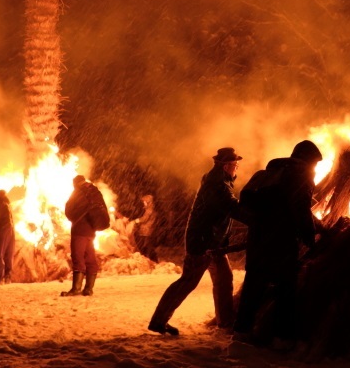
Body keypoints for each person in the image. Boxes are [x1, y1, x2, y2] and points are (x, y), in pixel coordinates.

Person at [149, 147, 251, 336]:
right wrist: (258, 219)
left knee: (224, 278)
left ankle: (225, 322)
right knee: (187, 282)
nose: (237, 168)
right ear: (226, 166)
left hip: (212, 243)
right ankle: (158, 321)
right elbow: (232, 207)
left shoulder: (219, 180)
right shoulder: (217, 184)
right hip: (203, 242)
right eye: (235, 165)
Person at [233, 140, 323, 348]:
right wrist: (310, 238)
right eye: (315, 163)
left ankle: (241, 332)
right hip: (282, 242)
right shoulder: (300, 175)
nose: (315, 168)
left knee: (254, 285)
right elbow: (301, 210)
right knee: (286, 290)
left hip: (259, 239)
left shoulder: (270, 173)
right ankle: (281, 338)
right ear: (308, 159)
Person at [61, 174, 109, 296]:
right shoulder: (94, 191)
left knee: (78, 257)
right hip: (91, 230)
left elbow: (69, 210)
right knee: (90, 258)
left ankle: (76, 288)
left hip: (80, 230)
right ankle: (88, 288)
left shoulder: (79, 192)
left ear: (75, 183)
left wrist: (73, 218)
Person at [0, 189, 15, 284]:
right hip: (11, 229)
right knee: (9, 253)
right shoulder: (8, 204)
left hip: (4, 228)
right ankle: (8, 277)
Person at [133, 194, 160, 263]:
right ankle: (151, 260)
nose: (143, 203)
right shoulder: (150, 209)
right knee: (146, 246)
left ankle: (153, 261)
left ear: (148, 202)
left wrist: (137, 220)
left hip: (147, 231)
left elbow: (145, 219)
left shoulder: (149, 210)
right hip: (147, 231)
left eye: (144, 202)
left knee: (147, 247)